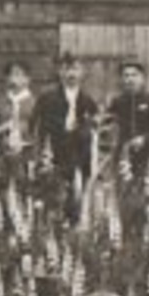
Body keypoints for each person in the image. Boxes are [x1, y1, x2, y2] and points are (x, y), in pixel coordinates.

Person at [31, 52, 98, 218]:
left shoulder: (88, 100)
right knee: (53, 200)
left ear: (82, 73)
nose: (71, 74)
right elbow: (36, 126)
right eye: (66, 69)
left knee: (78, 200)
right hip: (55, 155)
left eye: (75, 69)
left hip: (80, 157)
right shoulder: (47, 98)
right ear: (59, 72)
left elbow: (95, 128)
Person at [107, 60, 149, 183]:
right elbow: (109, 128)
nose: (130, 79)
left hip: (148, 159)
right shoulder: (117, 102)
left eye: (134, 75)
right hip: (123, 160)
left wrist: (145, 139)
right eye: (126, 75)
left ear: (143, 78)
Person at [0, 60, 37, 163]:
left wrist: (24, 130)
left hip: (28, 157)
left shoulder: (35, 104)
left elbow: (41, 134)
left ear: (27, 79)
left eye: (18, 74)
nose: (13, 78)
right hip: (2, 157)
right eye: (10, 74)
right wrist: (2, 128)